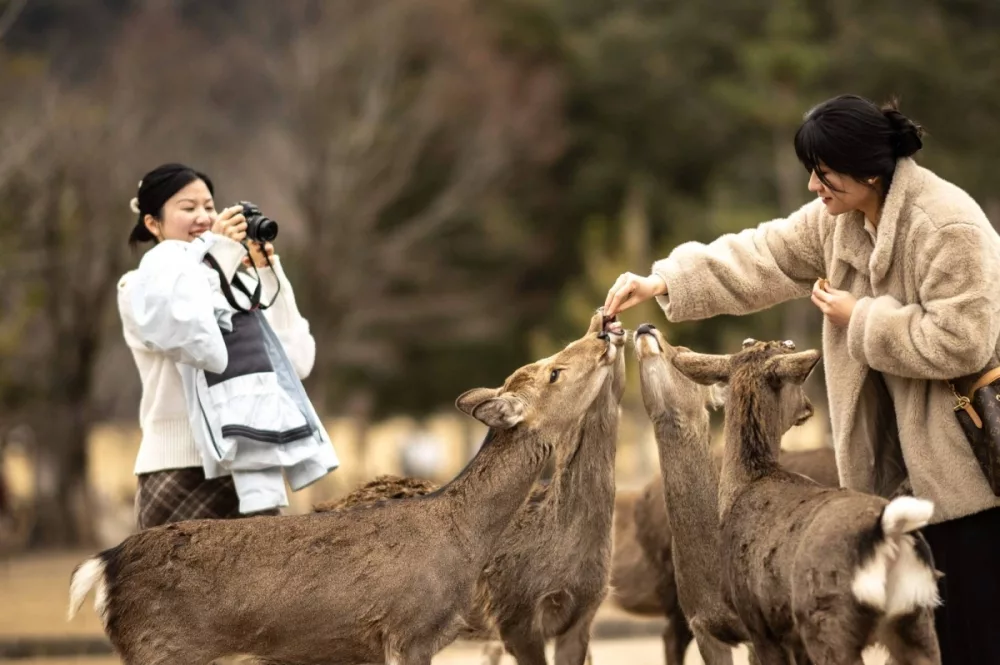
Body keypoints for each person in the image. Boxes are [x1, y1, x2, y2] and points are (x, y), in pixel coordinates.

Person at [604, 94, 1000, 663]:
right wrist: (661, 282)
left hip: (969, 480)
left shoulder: (947, 225)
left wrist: (857, 318)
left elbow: (964, 340)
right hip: (897, 476)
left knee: (973, 639)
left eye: (823, 174)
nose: (814, 187)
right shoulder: (839, 221)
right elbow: (761, 255)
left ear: (868, 170)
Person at [118, 163, 337, 530]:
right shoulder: (138, 286)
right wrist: (216, 256)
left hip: (249, 463)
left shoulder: (236, 283)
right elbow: (192, 333)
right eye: (188, 208)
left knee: (265, 587)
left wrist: (268, 272)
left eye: (209, 206)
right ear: (153, 223)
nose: (203, 217)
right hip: (178, 468)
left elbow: (297, 362)